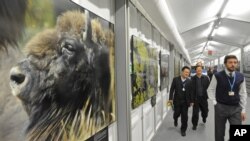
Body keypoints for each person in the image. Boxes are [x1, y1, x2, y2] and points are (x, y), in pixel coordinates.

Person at [207, 55, 247, 141]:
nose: (233, 64)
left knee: (238, 133)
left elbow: (243, 93)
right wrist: (215, 103)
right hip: (221, 107)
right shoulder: (217, 75)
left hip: (236, 108)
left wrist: (243, 109)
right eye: (230, 62)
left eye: (235, 62)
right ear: (225, 64)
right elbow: (210, 90)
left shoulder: (241, 76)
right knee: (219, 132)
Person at [169, 66, 194, 136]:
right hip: (177, 101)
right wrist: (170, 99)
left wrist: (192, 101)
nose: (187, 74)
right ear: (182, 72)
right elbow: (172, 89)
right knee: (176, 113)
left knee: (184, 117)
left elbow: (191, 92)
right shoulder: (175, 79)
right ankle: (175, 119)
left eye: (188, 73)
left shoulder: (189, 81)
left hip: (185, 102)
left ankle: (183, 129)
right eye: (186, 72)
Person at [191, 65, 210, 130]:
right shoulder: (192, 79)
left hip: (204, 98)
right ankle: (194, 124)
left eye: (200, 69)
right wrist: (191, 100)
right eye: (197, 69)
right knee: (195, 113)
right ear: (195, 70)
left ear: (202, 70)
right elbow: (191, 90)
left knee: (205, 111)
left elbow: (209, 88)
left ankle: (204, 117)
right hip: (196, 98)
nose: (199, 71)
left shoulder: (206, 78)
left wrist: (209, 96)